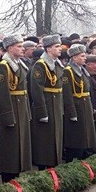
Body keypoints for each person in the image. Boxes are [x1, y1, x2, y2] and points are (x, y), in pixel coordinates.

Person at [0, 35, 32, 182]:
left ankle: (16, 179)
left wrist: (27, 112)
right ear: (9, 48)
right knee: (10, 149)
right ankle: (8, 181)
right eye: (19, 46)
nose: (22, 49)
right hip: (11, 110)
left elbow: (25, 91)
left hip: (20, 109)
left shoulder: (19, 64)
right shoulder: (3, 67)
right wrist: (8, 116)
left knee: (19, 147)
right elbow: (2, 94)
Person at [29, 34, 65, 169]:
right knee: (45, 141)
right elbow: (37, 90)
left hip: (56, 105)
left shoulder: (57, 64)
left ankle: (54, 167)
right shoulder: (40, 65)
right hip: (47, 105)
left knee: (56, 138)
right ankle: (44, 170)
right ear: (48, 49)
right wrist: (42, 111)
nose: (60, 49)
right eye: (56, 46)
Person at [62, 44, 96, 160]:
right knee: (76, 139)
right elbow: (67, 94)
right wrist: (72, 112)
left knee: (86, 137)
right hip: (77, 107)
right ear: (74, 58)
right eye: (82, 56)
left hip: (85, 106)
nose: (85, 58)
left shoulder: (82, 71)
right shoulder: (68, 71)